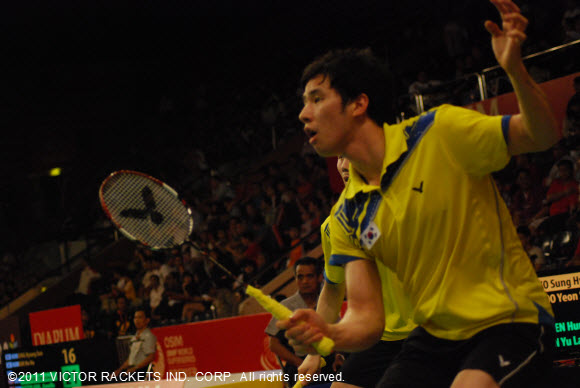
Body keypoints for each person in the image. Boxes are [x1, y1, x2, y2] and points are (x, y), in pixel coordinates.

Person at [278, 1, 559, 387]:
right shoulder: (347, 215)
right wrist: (327, 333)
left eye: (316, 99)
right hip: (436, 337)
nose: (303, 115)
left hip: (508, 321)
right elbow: (366, 318)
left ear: (359, 103)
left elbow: (542, 135)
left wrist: (515, 70)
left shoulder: (439, 133)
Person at [298, 156, 416, 388]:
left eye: (349, 156)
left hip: (428, 329)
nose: (343, 165)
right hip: (380, 337)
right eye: (340, 157)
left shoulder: (407, 201)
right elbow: (333, 289)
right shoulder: (333, 226)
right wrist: (315, 353)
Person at [264, 257, 332, 386]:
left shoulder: (329, 302)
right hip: (299, 367)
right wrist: (299, 363)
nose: (305, 281)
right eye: (300, 277)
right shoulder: (285, 306)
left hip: (328, 364)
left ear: (319, 277)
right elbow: (273, 344)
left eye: (309, 276)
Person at [114, 308, 157, 376]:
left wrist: (135, 368)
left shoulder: (149, 336)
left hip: (142, 371)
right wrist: (119, 370)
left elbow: (151, 356)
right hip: (132, 371)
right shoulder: (134, 338)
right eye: (135, 317)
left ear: (147, 320)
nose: (137, 320)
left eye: (140, 317)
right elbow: (131, 359)